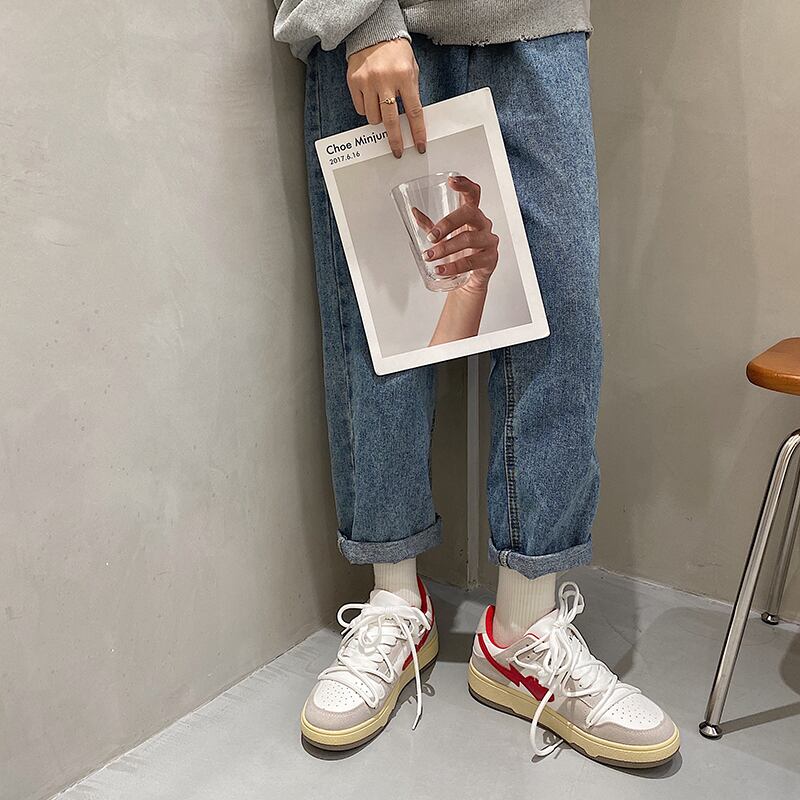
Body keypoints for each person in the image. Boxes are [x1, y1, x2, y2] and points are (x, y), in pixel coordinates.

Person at [272, 0, 680, 767]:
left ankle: (523, 630)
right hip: (380, 23)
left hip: (539, 21)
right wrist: (360, 18)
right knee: (380, 315)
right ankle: (396, 601)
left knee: (561, 313)